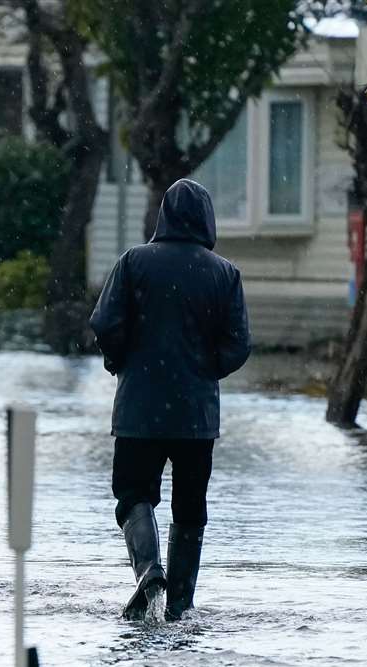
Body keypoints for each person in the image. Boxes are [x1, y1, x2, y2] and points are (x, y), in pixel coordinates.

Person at [89, 177, 251, 622]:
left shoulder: (133, 263)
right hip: (196, 417)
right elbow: (239, 344)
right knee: (190, 506)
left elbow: (104, 323)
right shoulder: (224, 273)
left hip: (139, 409)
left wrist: (121, 362)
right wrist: (202, 371)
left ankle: (149, 571)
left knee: (133, 493)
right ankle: (180, 604)